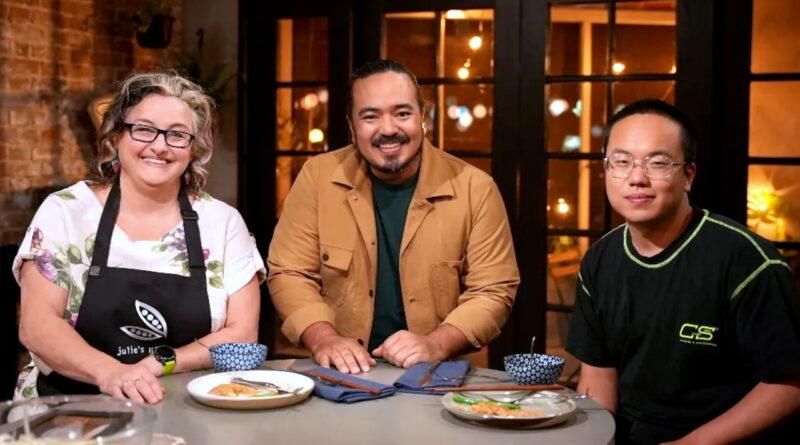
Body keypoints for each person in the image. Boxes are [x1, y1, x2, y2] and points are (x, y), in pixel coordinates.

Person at [13, 72, 265, 404]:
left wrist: (158, 363)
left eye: (177, 134)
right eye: (144, 129)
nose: (159, 146)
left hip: (185, 408)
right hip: (67, 406)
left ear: (194, 148)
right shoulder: (65, 212)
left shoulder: (222, 223)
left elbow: (242, 334)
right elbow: (37, 325)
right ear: (116, 136)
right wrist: (110, 372)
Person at [566, 99, 800, 444]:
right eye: (621, 162)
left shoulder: (747, 262)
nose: (636, 178)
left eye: (658, 163)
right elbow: (598, 375)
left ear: (688, 175)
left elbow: (789, 384)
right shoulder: (600, 260)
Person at [267, 59, 519, 374]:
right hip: (344, 374)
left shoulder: (475, 189)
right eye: (370, 116)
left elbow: (493, 290)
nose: (388, 129)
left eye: (402, 113)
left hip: (439, 379)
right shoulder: (317, 178)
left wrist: (436, 344)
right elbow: (290, 272)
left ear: (423, 117)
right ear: (351, 127)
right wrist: (324, 339)